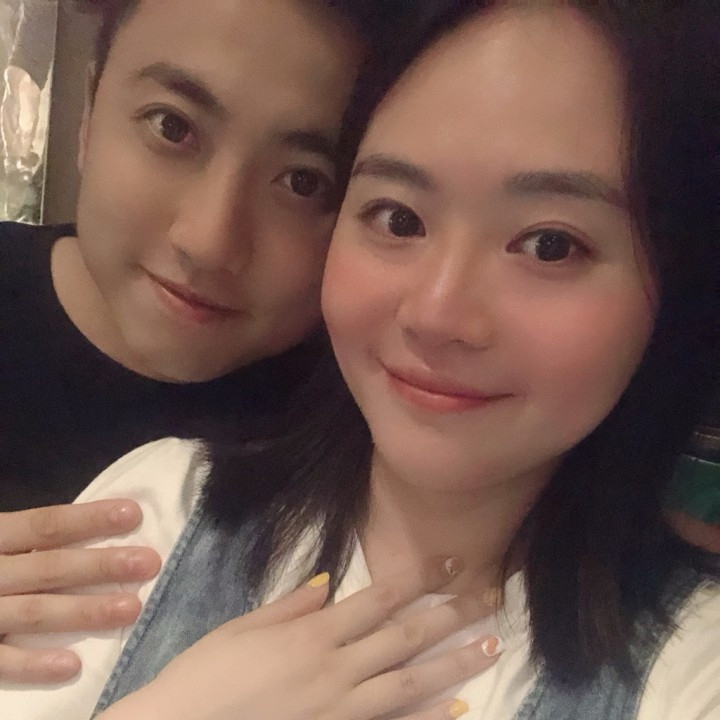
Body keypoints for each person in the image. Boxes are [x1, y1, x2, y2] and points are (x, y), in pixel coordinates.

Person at [75, 1, 719, 719]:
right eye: (398, 218)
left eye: (550, 245)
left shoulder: (695, 670)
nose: (436, 315)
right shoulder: (153, 512)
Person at [0, 0, 420, 684]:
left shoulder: (372, 419)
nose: (211, 240)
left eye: (304, 181)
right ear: (88, 112)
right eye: (172, 127)